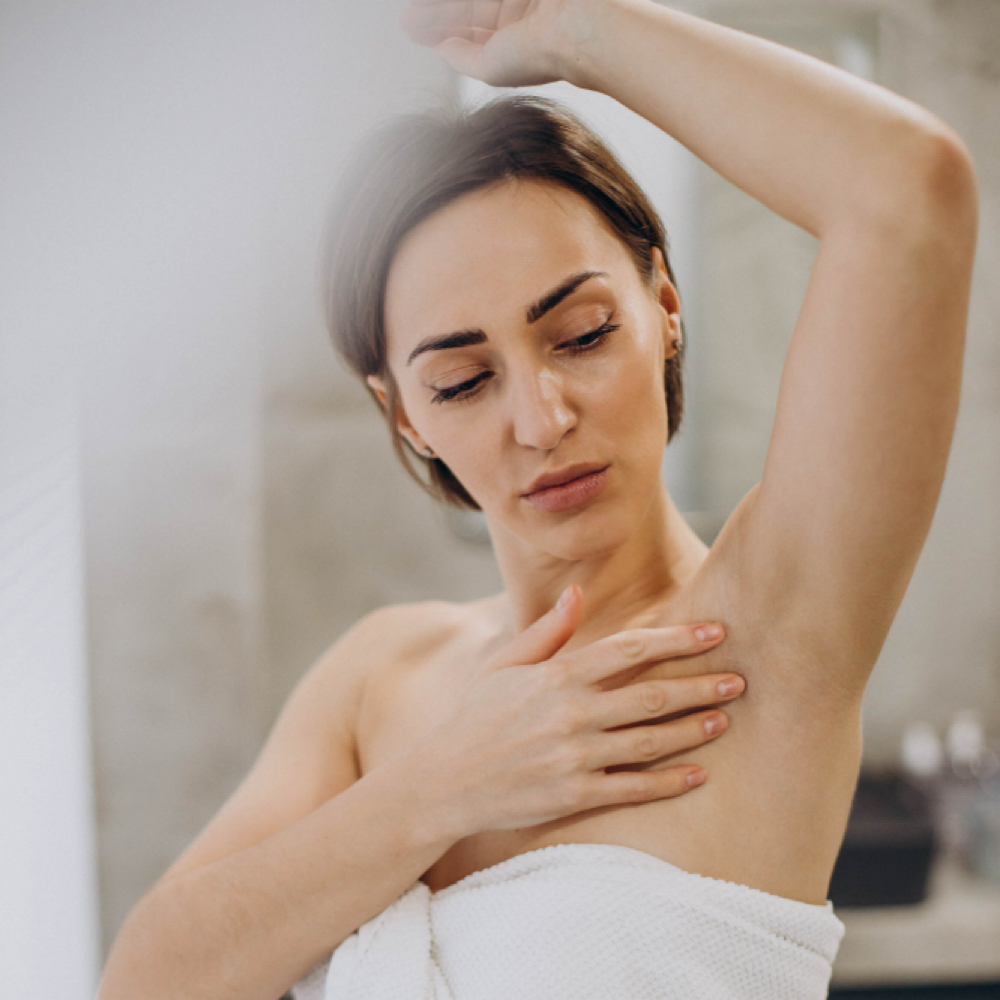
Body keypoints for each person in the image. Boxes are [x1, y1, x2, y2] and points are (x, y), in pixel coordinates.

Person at [98, 1, 978, 998]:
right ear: (405, 418)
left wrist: (576, 30)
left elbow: (908, 188)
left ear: (665, 307)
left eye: (583, 332)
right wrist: (444, 781)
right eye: (463, 381)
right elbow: (144, 980)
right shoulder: (377, 675)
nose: (540, 417)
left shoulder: (764, 635)